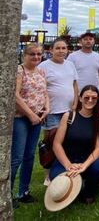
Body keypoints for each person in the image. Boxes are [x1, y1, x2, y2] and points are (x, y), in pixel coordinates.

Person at [50, 85, 99, 204]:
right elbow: (56, 144)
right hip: (67, 159)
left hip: (87, 159)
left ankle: (87, 187)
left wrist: (84, 165)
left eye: (94, 98)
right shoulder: (69, 116)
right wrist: (68, 165)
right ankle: (77, 185)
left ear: (97, 100)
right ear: (80, 98)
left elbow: (98, 147)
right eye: (86, 97)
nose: (90, 101)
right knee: (55, 177)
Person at [11, 44, 49, 204]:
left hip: (38, 118)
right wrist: (31, 114)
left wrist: (47, 107)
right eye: (32, 54)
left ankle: (23, 192)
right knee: (16, 157)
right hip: (21, 118)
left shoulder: (40, 71)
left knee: (29, 156)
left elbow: (44, 91)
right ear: (24, 55)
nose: (36, 57)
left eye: (39, 54)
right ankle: (6, 194)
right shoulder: (19, 71)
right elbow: (15, 95)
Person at [38, 38, 78, 185]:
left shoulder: (70, 65)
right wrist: (45, 107)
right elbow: (41, 88)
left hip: (68, 110)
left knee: (66, 141)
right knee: (50, 142)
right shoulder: (44, 66)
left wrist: (75, 103)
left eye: (64, 48)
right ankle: (48, 174)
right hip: (52, 111)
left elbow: (74, 84)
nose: (61, 51)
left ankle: (63, 166)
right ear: (51, 50)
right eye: (58, 48)